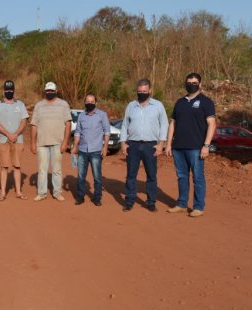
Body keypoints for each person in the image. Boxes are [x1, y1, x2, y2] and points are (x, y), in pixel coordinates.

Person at [165, 72, 216, 218]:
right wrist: (168, 144)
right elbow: (173, 123)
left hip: (196, 147)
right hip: (178, 147)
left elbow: (212, 124)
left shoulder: (206, 102)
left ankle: (198, 207)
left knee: (198, 177)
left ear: (200, 84)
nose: (191, 85)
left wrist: (206, 145)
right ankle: (181, 204)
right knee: (182, 176)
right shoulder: (180, 102)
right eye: (189, 82)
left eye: (194, 83)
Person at [119, 78, 168, 212]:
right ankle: (129, 201)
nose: (142, 93)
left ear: (150, 90)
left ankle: (151, 202)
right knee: (131, 175)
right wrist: (123, 143)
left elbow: (164, 124)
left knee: (151, 175)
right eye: (140, 91)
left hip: (150, 146)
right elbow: (124, 125)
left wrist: (161, 144)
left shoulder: (158, 105)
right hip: (133, 145)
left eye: (145, 91)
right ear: (137, 91)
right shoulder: (131, 106)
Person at [30, 82, 72, 202]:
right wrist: (33, 143)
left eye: (51, 90)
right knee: (42, 170)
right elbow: (34, 125)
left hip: (58, 143)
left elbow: (68, 124)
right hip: (42, 143)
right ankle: (42, 193)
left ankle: (57, 192)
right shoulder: (39, 105)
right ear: (45, 91)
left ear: (56, 91)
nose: (49, 92)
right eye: (47, 90)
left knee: (57, 170)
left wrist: (65, 142)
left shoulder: (63, 104)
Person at [71, 94, 110, 206]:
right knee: (81, 176)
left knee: (97, 177)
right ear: (84, 102)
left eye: (92, 101)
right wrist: (74, 146)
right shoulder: (81, 116)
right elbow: (78, 132)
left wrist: (105, 147)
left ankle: (97, 198)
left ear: (95, 103)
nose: (90, 103)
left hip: (96, 151)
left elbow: (107, 132)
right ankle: (80, 197)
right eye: (88, 101)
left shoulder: (102, 115)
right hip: (82, 150)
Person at [0, 80, 29, 200]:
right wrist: (8, 134)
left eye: (11, 90)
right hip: (3, 139)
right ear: (4, 90)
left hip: (17, 140)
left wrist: (16, 134)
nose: (9, 92)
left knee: (17, 166)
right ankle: (3, 192)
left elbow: (24, 121)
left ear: (14, 90)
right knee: (4, 167)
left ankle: (18, 192)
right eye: (7, 90)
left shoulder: (20, 104)